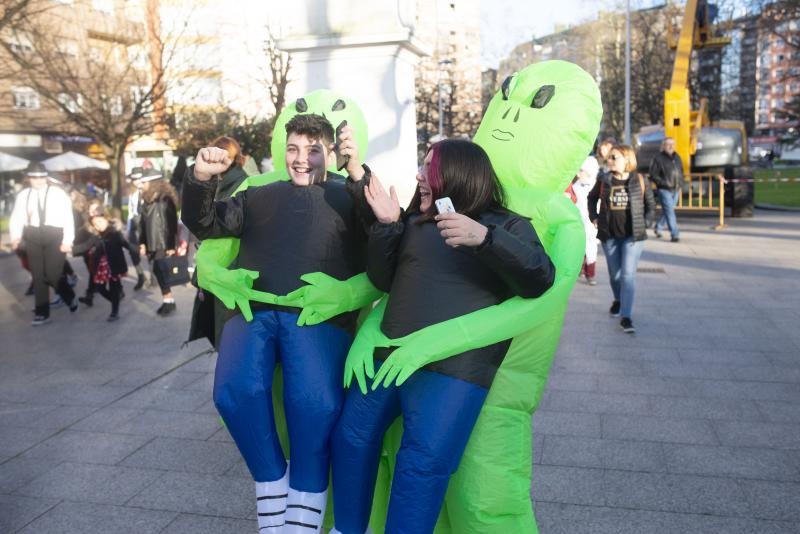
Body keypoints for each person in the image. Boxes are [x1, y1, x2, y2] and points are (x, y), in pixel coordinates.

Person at [329, 139, 556, 534]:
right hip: (391, 356)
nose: (420, 175)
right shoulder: (419, 220)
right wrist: (387, 226)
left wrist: (485, 238)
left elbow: (540, 277)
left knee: (421, 465)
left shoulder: (505, 224)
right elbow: (383, 280)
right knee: (350, 439)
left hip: (452, 370)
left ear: (458, 174)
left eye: (429, 168)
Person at [181, 113, 372, 534]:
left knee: (315, 403)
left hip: (316, 314)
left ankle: (303, 504)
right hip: (255, 310)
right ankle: (271, 479)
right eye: (293, 149)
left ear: (329, 152)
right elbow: (206, 222)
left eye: (312, 150)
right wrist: (201, 176)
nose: (300, 159)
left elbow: (383, 233)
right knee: (234, 391)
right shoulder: (258, 193)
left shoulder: (349, 194)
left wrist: (358, 171)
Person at [187, 136, 249, 348]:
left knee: (228, 337)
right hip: (221, 270)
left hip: (229, 271)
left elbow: (215, 225)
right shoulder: (225, 181)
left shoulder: (241, 184)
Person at [588, 144, 656, 334]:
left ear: (627, 159)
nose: (609, 160)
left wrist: (646, 222)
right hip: (609, 235)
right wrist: (594, 217)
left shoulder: (640, 180)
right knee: (614, 275)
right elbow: (591, 198)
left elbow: (651, 204)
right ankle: (618, 300)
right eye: (609, 157)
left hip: (633, 237)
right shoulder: (604, 179)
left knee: (627, 275)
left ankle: (626, 316)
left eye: (614, 157)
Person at [9, 162, 78, 325]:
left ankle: (68, 296)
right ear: (28, 178)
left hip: (54, 235)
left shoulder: (58, 194)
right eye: (34, 178)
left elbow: (68, 218)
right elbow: (17, 217)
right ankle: (42, 312)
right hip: (32, 235)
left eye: (41, 177)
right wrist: (15, 237)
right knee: (38, 275)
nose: (38, 181)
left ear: (46, 177)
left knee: (52, 275)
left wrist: (68, 240)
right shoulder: (23, 195)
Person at [73, 210, 137, 321]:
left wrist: (138, 250)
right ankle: (114, 301)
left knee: (114, 287)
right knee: (100, 288)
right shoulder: (96, 237)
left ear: (106, 219)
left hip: (114, 266)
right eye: (95, 224)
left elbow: (126, 244)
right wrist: (71, 249)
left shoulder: (115, 233)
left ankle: (114, 311)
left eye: (100, 222)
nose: (98, 225)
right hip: (101, 267)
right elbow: (85, 246)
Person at [138, 170, 179, 316]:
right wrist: (142, 242)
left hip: (162, 242)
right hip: (151, 242)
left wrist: (171, 245)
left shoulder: (165, 199)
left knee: (160, 271)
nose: (141, 185)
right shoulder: (147, 199)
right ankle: (168, 301)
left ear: (153, 183)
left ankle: (169, 301)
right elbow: (143, 223)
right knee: (158, 271)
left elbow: (172, 223)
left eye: (144, 182)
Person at [572, 156, 600, 285]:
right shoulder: (576, 185)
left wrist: (596, 219)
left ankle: (590, 273)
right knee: (580, 245)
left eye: (581, 170)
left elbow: (598, 204)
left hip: (591, 223)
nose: (578, 173)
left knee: (591, 248)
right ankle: (581, 268)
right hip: (579, 221)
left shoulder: (595, 186)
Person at [649, 136, 683, 242]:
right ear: (663, 146)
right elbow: (653, 175)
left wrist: (680, 184)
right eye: (668, 144)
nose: (671, 146)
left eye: (673, 144)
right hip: (664, 189)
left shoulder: (677, 157)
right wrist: (663, 183)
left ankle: (658, 227)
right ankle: (674, 234)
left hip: (676, 189)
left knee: (668, 211)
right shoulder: (658, 158)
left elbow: (681, 172)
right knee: (670, 211)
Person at [125, 167, 147, 290]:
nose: (135, 181)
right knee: (133, 252)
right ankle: (141, 276)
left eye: (138, 178)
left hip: (145, 224)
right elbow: (130, 212)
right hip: (134, 224)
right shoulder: (132, 193)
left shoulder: (148, 191)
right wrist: (128, 230)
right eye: (133, 179)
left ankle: (155, 278)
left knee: (149, 251)